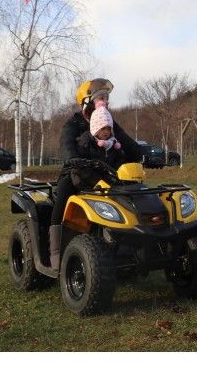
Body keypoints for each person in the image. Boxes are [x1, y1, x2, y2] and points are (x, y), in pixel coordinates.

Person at [49, 78, 141, 271]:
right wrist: (72, 157)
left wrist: (149, 155)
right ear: (87, 102)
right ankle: (56, 251)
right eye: (100, 97)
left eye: (106, 98)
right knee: (64, 192)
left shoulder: (109, 122)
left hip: (108, 173)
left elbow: (128, 144)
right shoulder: (73, 124)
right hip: (78, 173)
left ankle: (134, 245)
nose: (105, 102)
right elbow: (66, 146)